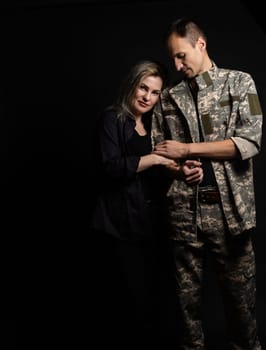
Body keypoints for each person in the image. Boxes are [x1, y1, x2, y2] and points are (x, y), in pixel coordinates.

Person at [151, 17, 263, 349]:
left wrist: (187, 149)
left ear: (200, 44)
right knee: (187, 313)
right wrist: (178, 168)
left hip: (231, 218)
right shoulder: (168, 97)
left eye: (181, 55)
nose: (176, 64)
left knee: (242, 308)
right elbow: (161, 153)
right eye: (172, 57)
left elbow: (250, 141)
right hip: (185, 219)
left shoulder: (241, 84)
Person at [90, 59, 203, 349]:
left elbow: (159, 169)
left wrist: (182, 170)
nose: (147, 97)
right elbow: (112, 168)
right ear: (132, 84)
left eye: (154, 93)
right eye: (143, 88)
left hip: (152, 224)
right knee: (131, 302)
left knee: (158, 300)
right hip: (120, 226)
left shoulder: (152, 124)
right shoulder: (112, 119)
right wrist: (154, 158)